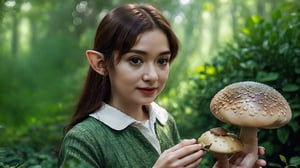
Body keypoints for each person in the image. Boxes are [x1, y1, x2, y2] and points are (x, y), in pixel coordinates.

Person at [57, 3, 267, 168]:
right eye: (136, 60)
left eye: (162, 61)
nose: (152, 76)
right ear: (100, 64)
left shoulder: (165, 122)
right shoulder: (83, 141)